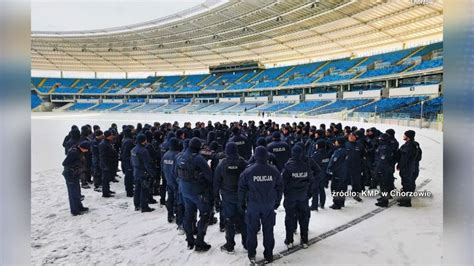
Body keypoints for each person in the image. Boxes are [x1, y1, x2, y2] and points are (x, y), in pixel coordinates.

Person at [238, 146, 283, 263]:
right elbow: (279, 187)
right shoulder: (274, 170)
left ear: (255, 156)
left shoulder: (248, 171)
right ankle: (269, 254)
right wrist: (277, 201)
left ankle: (251, 254)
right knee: (268, 231)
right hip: (268, 205)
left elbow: (241, 188)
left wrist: (241, 203)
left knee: (252, 231)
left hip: (253, 205)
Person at [176, 137, 213, 252]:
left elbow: (175, 173)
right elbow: (209, 176)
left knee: (189, 214)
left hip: (184, 190)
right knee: (205, 214)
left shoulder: (179, 156)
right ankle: (200, 242)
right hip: (198, 191)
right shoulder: (198, 159)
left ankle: (190, 240)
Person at [214, 142, 248, 254]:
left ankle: (230, 246)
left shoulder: (222, 164)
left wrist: (216, 198)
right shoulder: (243, 162)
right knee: (243, 221)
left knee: (229, 221)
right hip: (241, 196)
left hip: (227, 197)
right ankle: (247, 244)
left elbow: (216, 182)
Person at [281, 145, 313, 249]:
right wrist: (308, 193)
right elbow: (311, 181)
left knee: (290, 218)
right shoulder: (306, 166)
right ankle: (304, 240)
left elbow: (283, 183)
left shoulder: (288, 166)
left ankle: (289, 240)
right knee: (303, 218)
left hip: (291, 196)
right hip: (303, 196)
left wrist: (284, 193)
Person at [62, 141, 90, 216]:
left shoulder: (78, 150)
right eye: (86, 149)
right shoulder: (74, 152)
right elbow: (65, 163)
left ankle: (79, 206)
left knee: (77, 191)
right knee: (73, 193)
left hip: (75, 174)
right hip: (70, 175)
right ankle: (75, 210)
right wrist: (74, 168)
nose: (87, 151)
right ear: (83, 148)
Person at [131, 134, 157, 213]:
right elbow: (147, 164)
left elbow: (131, 161)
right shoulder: (144, 151)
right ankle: (144, 206)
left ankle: (137, 205)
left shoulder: (133, 150)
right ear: (143, 141)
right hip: (143, 172)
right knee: (144, 190)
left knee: (137, 189)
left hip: (136, 171)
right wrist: (152, 173)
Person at [396, 130, 419, 207]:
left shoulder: (409, 146)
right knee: (406, 184)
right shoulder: (413, 144)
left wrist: (400, 166)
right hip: (409, 167)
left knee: (406, 185)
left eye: (405, 135)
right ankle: (404, 199)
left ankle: (407, 202)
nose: (403, 136)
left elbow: (404, 158)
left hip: (407, 168)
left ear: (408, 137)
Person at [161, 137, 181, 223]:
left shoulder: (165, 154)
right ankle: (177, 214)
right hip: (176, 181)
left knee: (170, 197)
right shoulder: (177, 155)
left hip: (168, 179)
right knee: (177, 198)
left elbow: (162, 167)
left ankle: (170, 215)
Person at [374, 134, 395, 207]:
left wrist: (378, 170)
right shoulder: (383, 146)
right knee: (382, 185)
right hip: (384, 168)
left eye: (380, 139)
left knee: (384, 185)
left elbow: (382, 160)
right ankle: (383, 197)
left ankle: (384, 201)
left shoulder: (384, 148)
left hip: (383, 169)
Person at [327, 137, 347, 210]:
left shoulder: (338, 151)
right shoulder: (345, 150)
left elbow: (334, 161)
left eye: (336, 142)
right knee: (342, 188)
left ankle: (337, 203)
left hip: (337, 172)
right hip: (343, 172)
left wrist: (329, 169)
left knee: (335, 188)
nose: (335, 143)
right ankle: (341, 201)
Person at [310, 139, 331, 210]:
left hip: (316, 174)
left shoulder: (317, 155)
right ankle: (322, 203)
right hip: (324, 173)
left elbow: (311, 164)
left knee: (315, 189)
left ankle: (314, 205)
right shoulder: (327, 154)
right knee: (321, 189)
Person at [345, 132, 364, 202]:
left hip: (356, 166)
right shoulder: (345, 144)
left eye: (352, 136)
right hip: (346, 166)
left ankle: (356, 194)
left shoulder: (360, 145)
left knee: (356, 182)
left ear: (355, 137)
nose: (351, 137)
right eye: (349, 136)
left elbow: (362, 155)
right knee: (344, 181)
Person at [99, 130, 117, 198]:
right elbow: (103, 156)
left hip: (109, 163)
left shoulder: (108, 142)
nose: (112, 136)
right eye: (111, 135)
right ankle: (105, 193)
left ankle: (107, 190)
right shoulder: (103, 144)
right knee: (105, 179)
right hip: (105, 164)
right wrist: (105, 165)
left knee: (107, 178)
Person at [120, 127, 135, 197]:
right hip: (128, 162)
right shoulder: (129, 141)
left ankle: (129, 190)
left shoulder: (125, 140)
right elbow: (126, 153)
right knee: (129, 177)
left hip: (126, 161)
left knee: (128, 177)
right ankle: (129, 192)